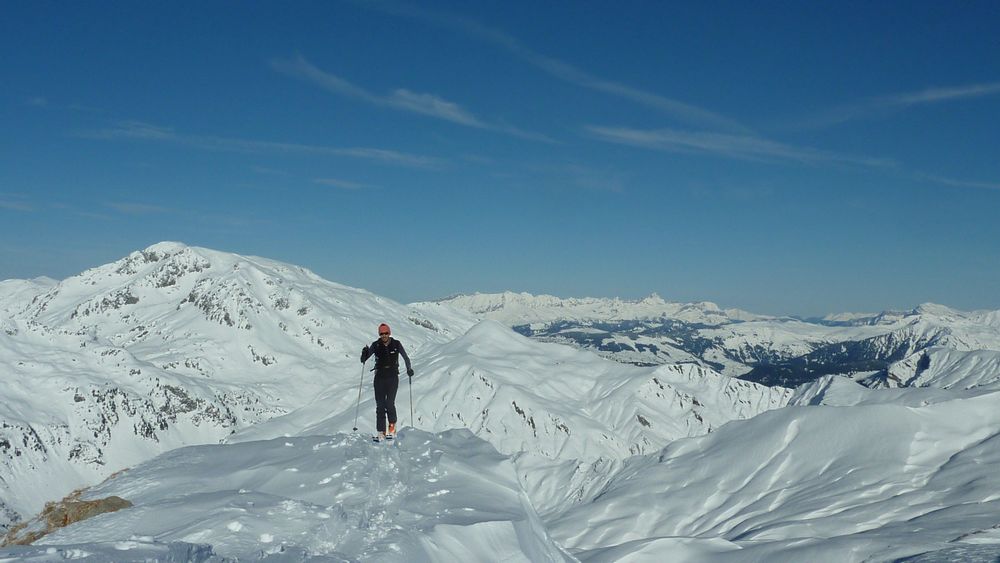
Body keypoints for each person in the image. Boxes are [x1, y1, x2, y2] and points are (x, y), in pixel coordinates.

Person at [360, 323, 413, 440]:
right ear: (379, 334)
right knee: (380, 405)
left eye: (386, 333)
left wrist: (409, 369)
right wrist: (364, 354)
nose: (384, 335)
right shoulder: (376, 345)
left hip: (392, 377)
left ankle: (392, 430)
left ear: (389, 333)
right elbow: (364, 359)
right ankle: (381, 433)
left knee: (389, 403)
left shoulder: (396, 344)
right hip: (379, 378)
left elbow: (405, 357)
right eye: (381, 334)